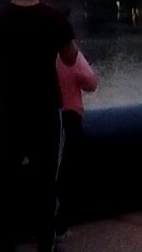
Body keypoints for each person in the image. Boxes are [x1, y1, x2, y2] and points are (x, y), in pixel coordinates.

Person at [0, 0, 78, 252]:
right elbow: (70, 58)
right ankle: (45, 245)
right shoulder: (55, 18)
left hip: (8, 112)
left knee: (4, 185)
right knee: (45, 185)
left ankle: (4, 244)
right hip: (45, 113)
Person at [55, 47, 99, 241]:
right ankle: (58, 226)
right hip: (68, 116)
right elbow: (91, 83)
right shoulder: (68, 53)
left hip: (36, 116)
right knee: (64, 173)